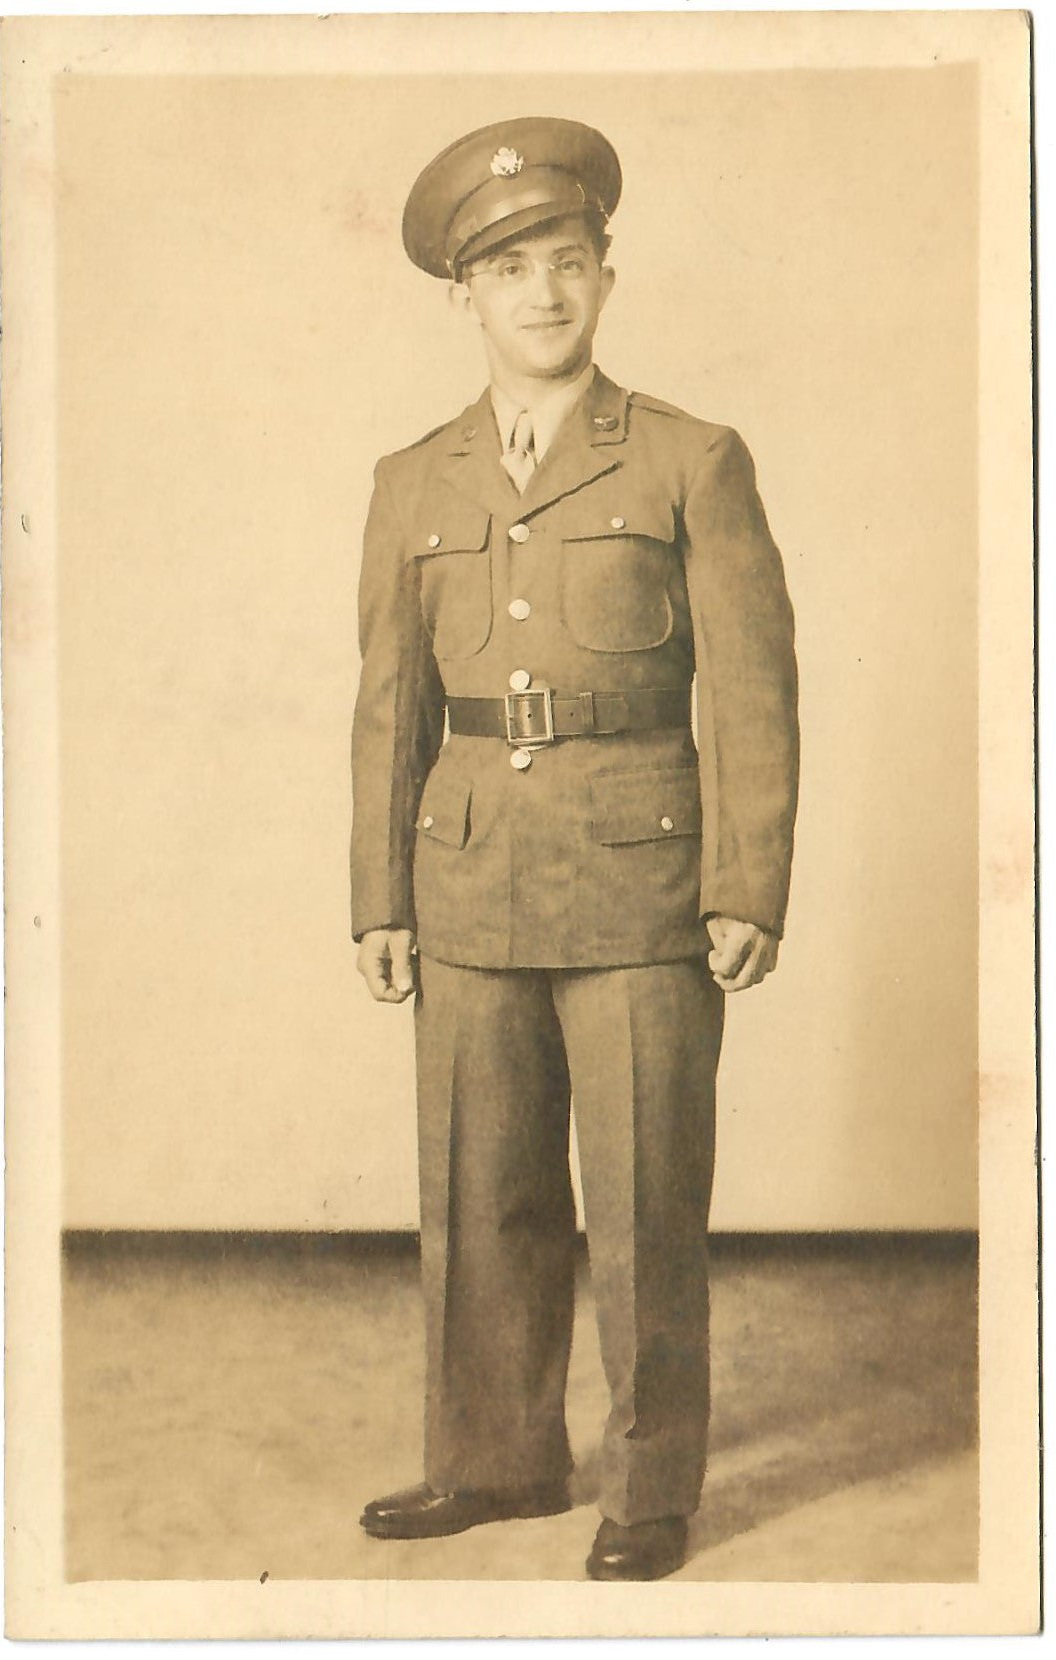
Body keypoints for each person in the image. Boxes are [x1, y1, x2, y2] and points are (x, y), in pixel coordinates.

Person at [349, 116, 799, 1582]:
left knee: (646, 1199)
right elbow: (389, 704)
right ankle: (493, 1460)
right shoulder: (412, 479)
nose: (540, 294)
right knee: (481, 1193)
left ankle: (649, 1487)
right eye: (508, 271)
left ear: (604, 276)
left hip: (639, 880)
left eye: (564, 263)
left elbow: (751, 689)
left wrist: (745, 882)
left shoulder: (687, 458)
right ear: (463, 296)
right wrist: (378, 894)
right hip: (468, 874)